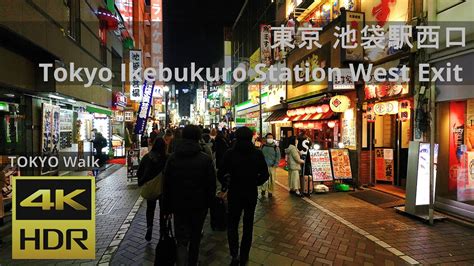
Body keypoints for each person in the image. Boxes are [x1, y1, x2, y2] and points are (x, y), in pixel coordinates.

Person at [162, 125, 216, 266]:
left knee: (181, 240)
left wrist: (166, 208)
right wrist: (210, 204)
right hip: (199, 206)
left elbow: (166, 185)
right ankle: (192, 262)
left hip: (179, 205)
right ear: (198, 138)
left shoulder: (173, 158)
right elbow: (211, 185)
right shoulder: (205, 159)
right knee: (195, 238)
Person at [217, 127, 269, 266]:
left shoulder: (230, 153)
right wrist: (255, 182)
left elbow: (220, 173)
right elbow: (265, 174)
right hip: (250, 193)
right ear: (251, 137)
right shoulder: (257, 154)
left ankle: (234, 254)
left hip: (234, 193)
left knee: (232, 224)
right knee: (248, 225)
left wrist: (226, 183)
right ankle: (244, 255)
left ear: (237, 137)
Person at [137, 138, 167, 241]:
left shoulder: (147, 157)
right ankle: (162, 231)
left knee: (150, 208)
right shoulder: (166, 158)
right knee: (163, 210)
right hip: (163, 188)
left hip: (150, 187)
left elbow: (139, 171)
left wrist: (142, 181)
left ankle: (149, 226)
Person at [261, 133, 280, 198]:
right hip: (264, 166)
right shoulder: (263, 146)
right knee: (263, 179)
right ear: (266, 138)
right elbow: (260, 156)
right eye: (268, 137)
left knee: (272, 179)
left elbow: (278, 157)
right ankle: (263, 189)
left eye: (271, 137)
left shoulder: (275, 147)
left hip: (272, 166)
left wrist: (275, 164)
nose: (270, 139)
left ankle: (270, 191)